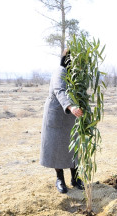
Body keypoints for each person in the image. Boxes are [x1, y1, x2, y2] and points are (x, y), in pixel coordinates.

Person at [40, 49, 85, 193]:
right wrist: (71, 106)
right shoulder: (60, 71)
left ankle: (75, 178)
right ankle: (60, 179)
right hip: (58, 114)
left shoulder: (75, 74)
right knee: (57, 148)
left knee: (73, 147)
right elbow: (60, 90)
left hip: (71, 115)